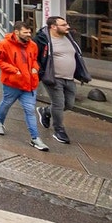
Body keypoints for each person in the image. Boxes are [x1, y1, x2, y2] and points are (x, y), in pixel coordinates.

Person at [0, 21, 49, 150]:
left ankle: (35, 138)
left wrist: (35, 68)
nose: (29, 34)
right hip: (12, 83)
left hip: (29, 85)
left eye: (30, 32)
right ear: (16, 32)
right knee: (6, 103)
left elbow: (34, 60)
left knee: (30, 110)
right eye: (25, 32)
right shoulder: (4, 44)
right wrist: (14, 70)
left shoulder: (33, 45)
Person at [36, 15, 92, 145]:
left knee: (69, 104)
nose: (68, 27)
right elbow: (35, 57)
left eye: (67, 24)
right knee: (59, 104)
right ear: (53, 27)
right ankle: (59, 130)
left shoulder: (69, 37)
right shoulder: (43, 40)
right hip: (53, 79)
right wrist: (42, 73)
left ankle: (45, 111)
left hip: (69, 78)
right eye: (64, 25)